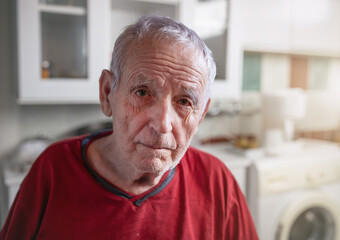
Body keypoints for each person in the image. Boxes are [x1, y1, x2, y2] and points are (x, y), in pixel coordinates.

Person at [0, 15, 258, 239]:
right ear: (107, 93)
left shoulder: (217, 182)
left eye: (184, 101)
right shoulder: (53, 170)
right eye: (143, 92)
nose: (163, 124)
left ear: (200, 114)